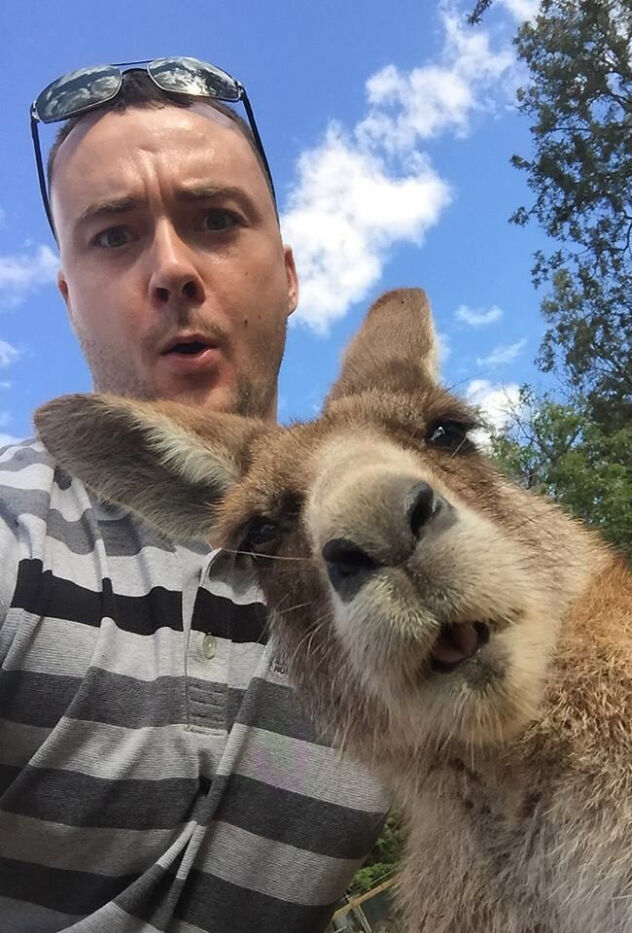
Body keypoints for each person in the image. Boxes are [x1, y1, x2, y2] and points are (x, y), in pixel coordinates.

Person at [0, 59, 389, 933]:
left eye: (215, 220)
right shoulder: (17, 522)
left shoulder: (391, 538)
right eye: (113, 235)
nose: (172, 268)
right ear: (68, 301)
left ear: (287, 276)